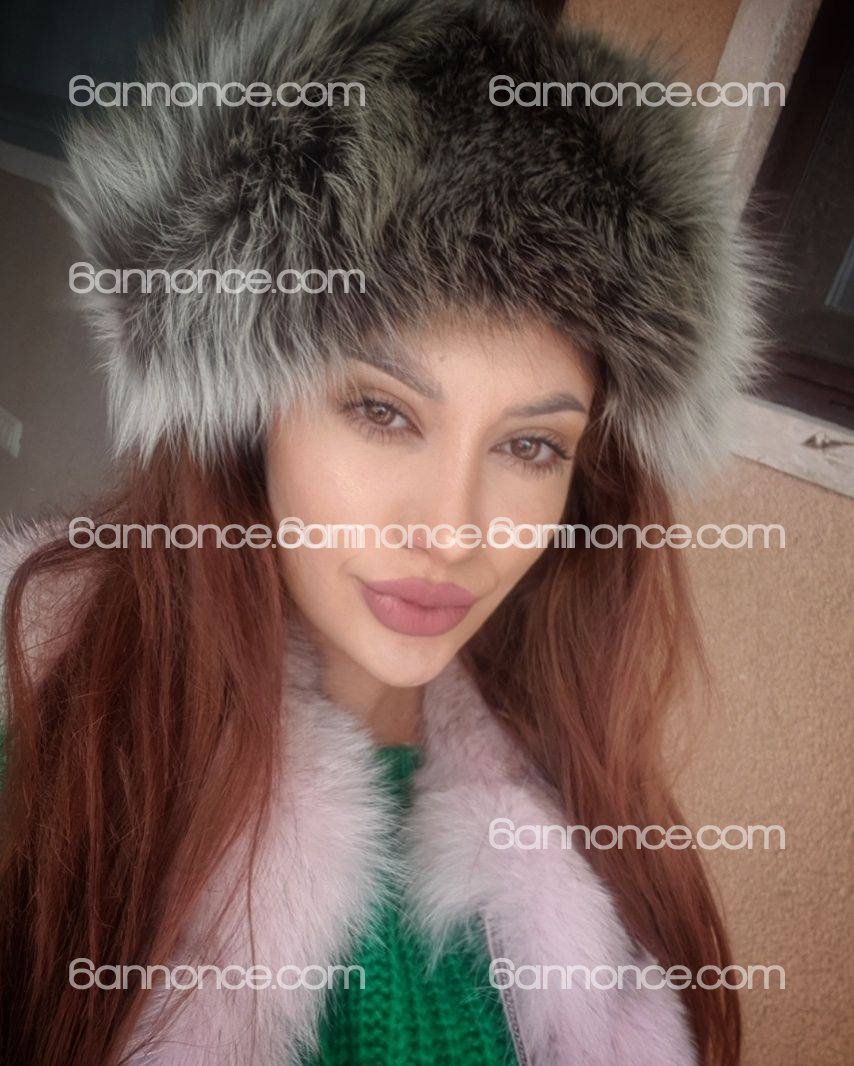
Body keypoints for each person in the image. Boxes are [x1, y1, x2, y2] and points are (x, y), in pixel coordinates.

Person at [0, 0, 769, 1063]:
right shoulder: (48, 752)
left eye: (530, 445)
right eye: (381, 411)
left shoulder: (588, 804)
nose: (451, 530)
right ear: (250, 417)